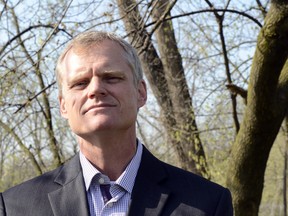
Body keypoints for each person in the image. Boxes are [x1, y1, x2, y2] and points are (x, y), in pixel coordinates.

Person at [0, 31, 233, 216]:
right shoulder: (14, 207)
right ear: (63, 106)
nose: (95, 89)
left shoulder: (207, 204)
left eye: (111, 77)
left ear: (140, 93)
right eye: (80, 83)